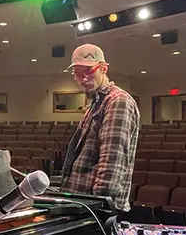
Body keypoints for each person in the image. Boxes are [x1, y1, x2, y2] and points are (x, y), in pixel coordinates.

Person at [60, 44, 140, 212]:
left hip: (95, 208)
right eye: (78, 73)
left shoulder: (117, 101)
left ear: (103, 68)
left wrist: (98, 206)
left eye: (89, 72)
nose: (83, 79)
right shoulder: (94, 104)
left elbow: (112, 162)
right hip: (83, 203)